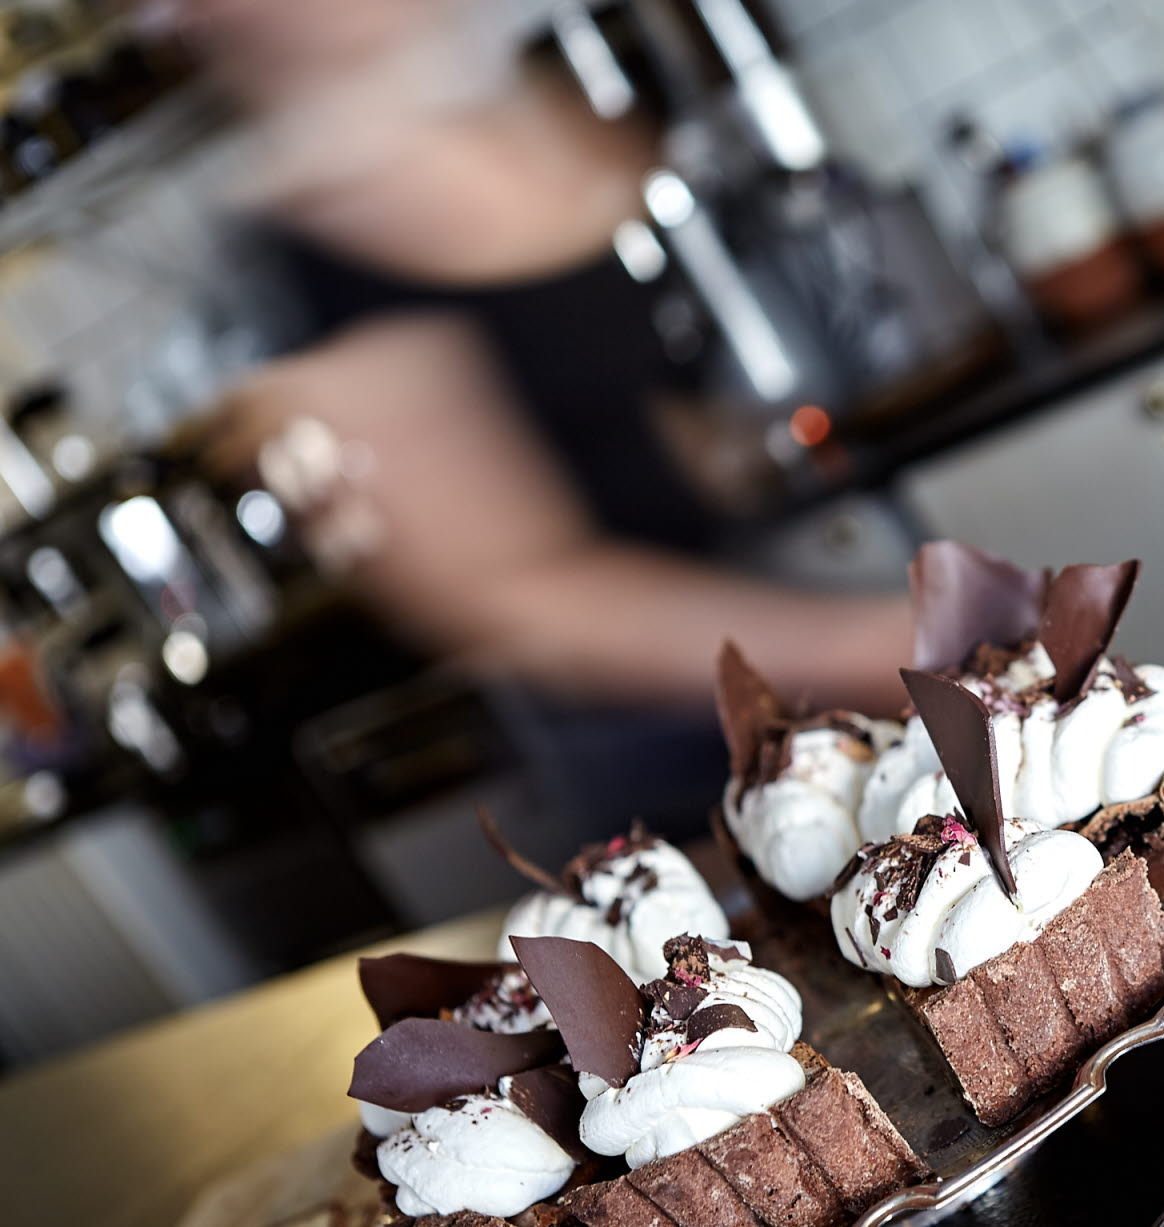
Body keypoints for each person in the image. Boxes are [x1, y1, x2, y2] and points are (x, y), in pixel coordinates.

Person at [177, 0, 912, 834]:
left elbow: (609, 428)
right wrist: (854, 647)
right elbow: (509, 599)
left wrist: (738, 452)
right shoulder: (310, 255)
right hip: (659, 751)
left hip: (774, 643)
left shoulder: (511, 126)